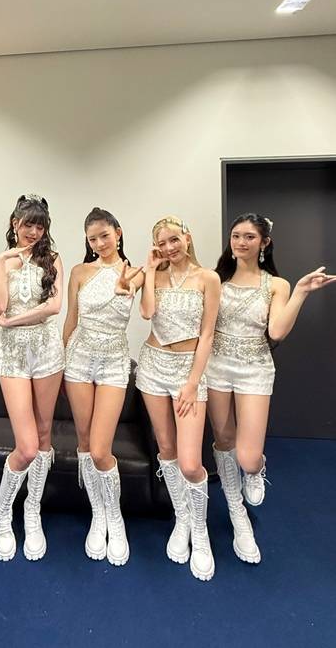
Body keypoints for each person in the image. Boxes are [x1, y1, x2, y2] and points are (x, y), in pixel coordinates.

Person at [206, 213, 336, 564]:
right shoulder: (217, 278)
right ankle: (237, 513)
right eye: (236, 235)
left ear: (264, 242)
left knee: (247, 457)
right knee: (223, 441)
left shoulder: (276, 284)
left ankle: (256, 469)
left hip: (254, 369)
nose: (241, 242)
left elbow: (276, 331)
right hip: (217, 367)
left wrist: (301, 292)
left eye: (249, 236)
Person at [137, 215, 220, 581]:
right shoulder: (156, 274)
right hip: (153, 366)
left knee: (190, 463)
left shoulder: (208, 278)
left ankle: (200, 530)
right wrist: (149, 269)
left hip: (188, 371)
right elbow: (147, 312)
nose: (169, 247)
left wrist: (192, 382)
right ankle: (182, 518)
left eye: (174, 240)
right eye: (162, 243)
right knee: (167, 448)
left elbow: (207, 335)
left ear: (187, 237)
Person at [63, 207, 143, 566]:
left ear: (118, 233)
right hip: (78, 359)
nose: (99, 243)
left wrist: (128, 285)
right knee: (83, 442)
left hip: (113, 361)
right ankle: (98, 515)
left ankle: (116, 516)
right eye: (92, 239)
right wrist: (60, 358)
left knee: (99, 449)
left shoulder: (136, 273)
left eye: (104, 236)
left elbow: (144, 304)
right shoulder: (80, 272)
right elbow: (71, 318)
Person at [0, 194, 64, 562]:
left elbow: (54, 307)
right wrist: (0, 263)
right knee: (28, 445)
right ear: (14, 223)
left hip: (47, 351)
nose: (33, 231)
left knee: (45, 434)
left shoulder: (53, 260)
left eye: (39, 225)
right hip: (13, 356)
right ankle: (3, 513)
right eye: (27, 224)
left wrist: (12, 322)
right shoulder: (1, 262)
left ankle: (32, 511)